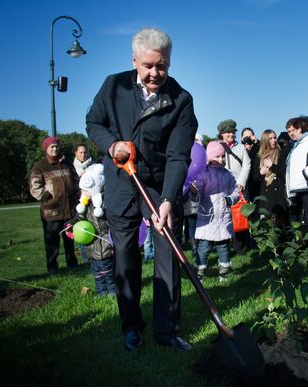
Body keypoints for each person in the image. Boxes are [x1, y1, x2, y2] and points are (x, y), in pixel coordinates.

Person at [86, 28, 197, 352]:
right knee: (126, 255)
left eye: (161, 66)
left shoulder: (181, 100)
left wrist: (167, 200)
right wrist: (112, 145)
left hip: (160, 184)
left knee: (168, 249)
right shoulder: (113, 86)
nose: (155, 73)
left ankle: (167, 330)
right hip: (122, 182)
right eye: (148, 65)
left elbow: (179, 155)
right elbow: (94, 122)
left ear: (169, 62)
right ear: (135, 60)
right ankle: (131, 326)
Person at [190, 141, 239, 282]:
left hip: (223, 217)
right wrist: (194, 190)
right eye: (217, 156)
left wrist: (230, 199)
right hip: (207, 217)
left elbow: (234, 191)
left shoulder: (229, 175)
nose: (221, 159)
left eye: (222, 156)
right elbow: (197, 189)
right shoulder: (203, 174)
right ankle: (200, 272)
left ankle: (223, 273)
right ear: (209, 157)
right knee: (204, 247)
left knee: (223, 247)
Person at [29, 136, 79, 273]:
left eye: (57, 146)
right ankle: (52, 266)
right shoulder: (40, 166)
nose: (55, 149)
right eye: (52, 147)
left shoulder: (67, 163)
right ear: (46, 148)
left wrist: (78, 194)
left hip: (69, 209)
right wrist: (46, 196)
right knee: (52, 242)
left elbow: (75, 180)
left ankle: (72, 263)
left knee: (70, 239)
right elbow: (35, 187)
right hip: (51, 211)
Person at [74, 163, 115, 296]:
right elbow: (80, 221)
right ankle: (101, 291)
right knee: (96, 271)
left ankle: (112, 290)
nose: (83, 193)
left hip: (104, 244)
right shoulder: (85, 206)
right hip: (91, 245)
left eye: (85, 190)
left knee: (107, 269)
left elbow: (110, 222)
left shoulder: (103, 204)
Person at [217, 119, 252, 254]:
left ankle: (241, 248)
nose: (231, 134)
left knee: (240, 217)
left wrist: (241, 183)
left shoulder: (241, 147)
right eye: (228, 132)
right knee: (224, 217)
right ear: (222, 134)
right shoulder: (218, 147)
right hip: (222, 188)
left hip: (238, 187)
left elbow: (246, 165)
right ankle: (224, 248)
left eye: (233, 132)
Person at [253, 129, 289, 226]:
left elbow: (285, 173)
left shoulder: (281, 154)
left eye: (274, 138)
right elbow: (254, 179)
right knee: (266, 228)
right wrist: (261, 172)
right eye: (270, 139)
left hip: (278, 197)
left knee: (280, 229)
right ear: (265, 141)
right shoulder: (259, 156)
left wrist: (272, 166)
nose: (273, 140)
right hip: (265, 197)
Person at [72, 143, 93, 263]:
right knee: (81, 228)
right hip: (78, 204)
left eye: (85, 152)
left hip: (91, 203)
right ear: (76, 153)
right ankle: (85, 257)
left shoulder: (94, 166)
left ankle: (93, 254)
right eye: (80, 152)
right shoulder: (71, 168)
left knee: (93, 228)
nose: (83, 154)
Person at [241, 127, 261, 200]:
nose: (248, 139)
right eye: (245, 137)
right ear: (241, 138)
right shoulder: (239, 150)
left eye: (250, 137)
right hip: (244, 188)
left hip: (257, 187)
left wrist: (257, 142)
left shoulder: (258, 148)